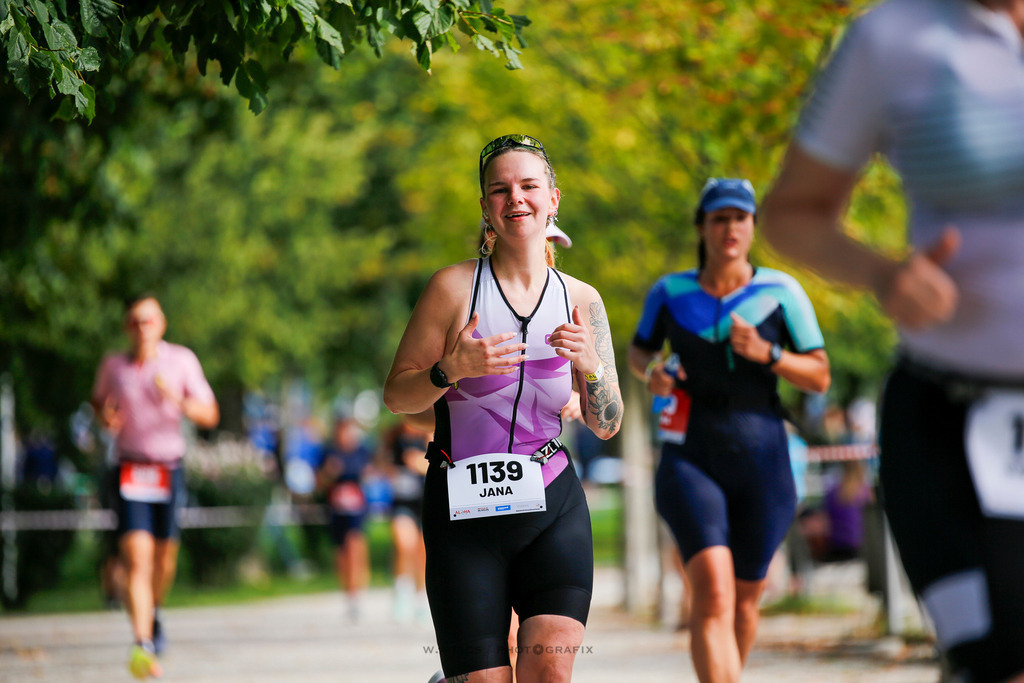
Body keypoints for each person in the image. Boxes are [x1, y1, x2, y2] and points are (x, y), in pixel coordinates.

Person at [759, 2, 1024, 680]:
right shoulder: (894, 38)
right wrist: (884, 274)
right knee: (995, 660)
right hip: (951, 417)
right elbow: (790, 213)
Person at [383, 133, 622, 683]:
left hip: (552, 504)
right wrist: (450, 370)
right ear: (485, 205)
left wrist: (591, 366)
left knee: (550, 671)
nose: (516, 198)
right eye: (500, 189)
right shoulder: (452, 288)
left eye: (529, 186)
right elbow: (397, 396)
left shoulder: (582, 299)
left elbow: (608, 424)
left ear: (552, 199)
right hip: (462, 514)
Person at [628, 178, 830, 682]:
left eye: (741, 218)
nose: (730, 228)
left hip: (764, 459)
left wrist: (769, 353)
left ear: (753, 226)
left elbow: (819, 375)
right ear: (702, 227)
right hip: (691, 456)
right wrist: (653, 375)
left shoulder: (781, 292)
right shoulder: (670, 292)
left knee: (742, 603)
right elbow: (639, 352)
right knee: (712, 593)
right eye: (719, 218)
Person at [91, 294, 219, 679]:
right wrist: (105, 417)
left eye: (148, 320)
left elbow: (210, 414)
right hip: (130, 468)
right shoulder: (114, 366)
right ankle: (142, 643)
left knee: (164, 560)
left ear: (161, 325)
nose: (142, 328)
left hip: (168, 468)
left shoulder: (181, 361)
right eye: (134, 321)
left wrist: (177, 400)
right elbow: (98, 403)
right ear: (126, 328)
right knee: (137, 557)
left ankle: (154, 610)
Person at [315, 414, 373, 620]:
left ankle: (357, 591)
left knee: (355, 546)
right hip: (336, 511)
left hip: (357, 511)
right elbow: (318, 483)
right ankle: (349, 593)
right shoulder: (329, 452)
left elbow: (372, 474)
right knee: (342, 553)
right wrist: (328, 473)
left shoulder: (362, 452)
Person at [383, 419, 430, 623]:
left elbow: (440, 464)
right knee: (404, 544)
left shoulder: (428, 435)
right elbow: (381, 465)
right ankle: (402, 592)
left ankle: (422, 598)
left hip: (426, 501)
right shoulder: (393, 437)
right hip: (402, 502)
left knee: (423, 550)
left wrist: (420, 463)